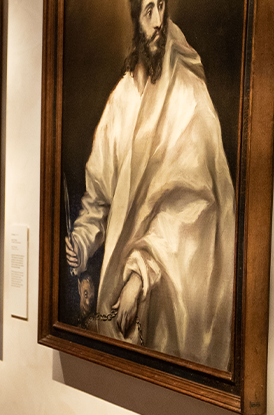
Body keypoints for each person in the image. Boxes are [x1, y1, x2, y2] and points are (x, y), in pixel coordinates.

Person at [64, 0, 235, 371]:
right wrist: (82, 241)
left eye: (161, 7)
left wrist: (140, 274)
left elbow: (194, 205)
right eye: (147, 11)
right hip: (120, 289)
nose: (158, 22)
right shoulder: (121, 99)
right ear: (133, 19)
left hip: (172, 289)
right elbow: (98, 196)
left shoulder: (188, 94)